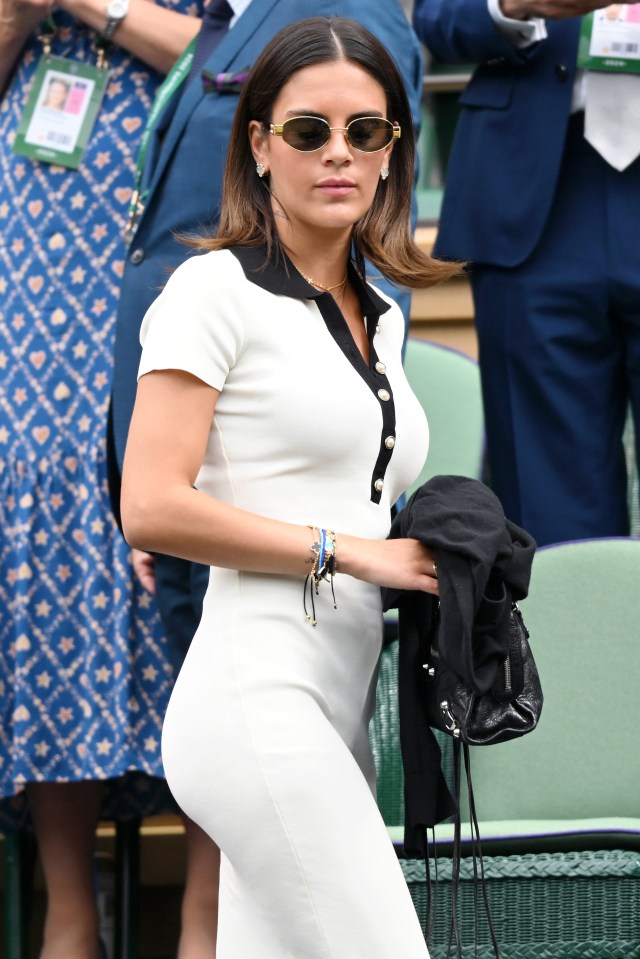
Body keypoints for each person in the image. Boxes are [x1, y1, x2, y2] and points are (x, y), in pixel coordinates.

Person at [120, 15, 459, 956]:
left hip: (340, 707)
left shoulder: (384, 313)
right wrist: (353, 550)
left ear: (395, 151)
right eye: (308, 131)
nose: (339, 153)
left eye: (368, 131)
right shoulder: (209, 291)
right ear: (261, 146)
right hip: (253, 700)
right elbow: (149, 504)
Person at [0, 3, 224, 958]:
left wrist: (98, 5)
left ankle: (209, 909)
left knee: (203, 510)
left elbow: (243, 55)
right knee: (50, 521)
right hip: (32, 249)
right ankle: (68, 906)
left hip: (184, 205)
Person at [413, 0, 640, 547]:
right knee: (547, 494)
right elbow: (437, 16)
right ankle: (568, 633)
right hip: (534, 197)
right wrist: (513, 5)